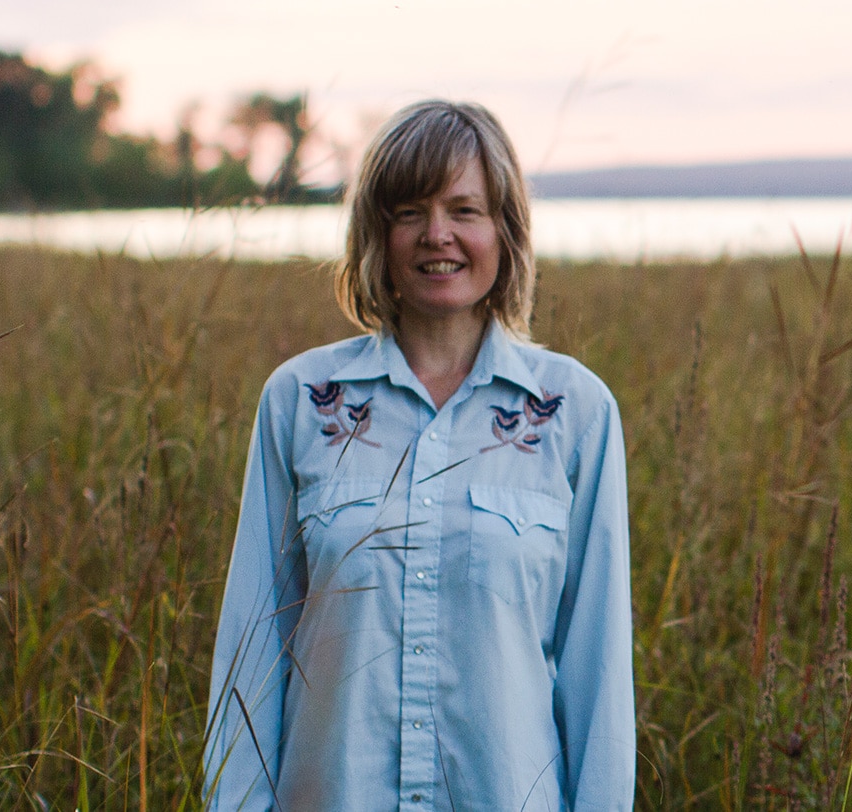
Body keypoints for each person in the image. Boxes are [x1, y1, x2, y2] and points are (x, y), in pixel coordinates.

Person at [203, 100, 636, 810]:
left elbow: (598, 673)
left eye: (465, 210)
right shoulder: (302, 402)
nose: (439, 235)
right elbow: (251, 658)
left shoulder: (574, 414)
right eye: (410, 211)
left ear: (506, 231)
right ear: (377, 232)